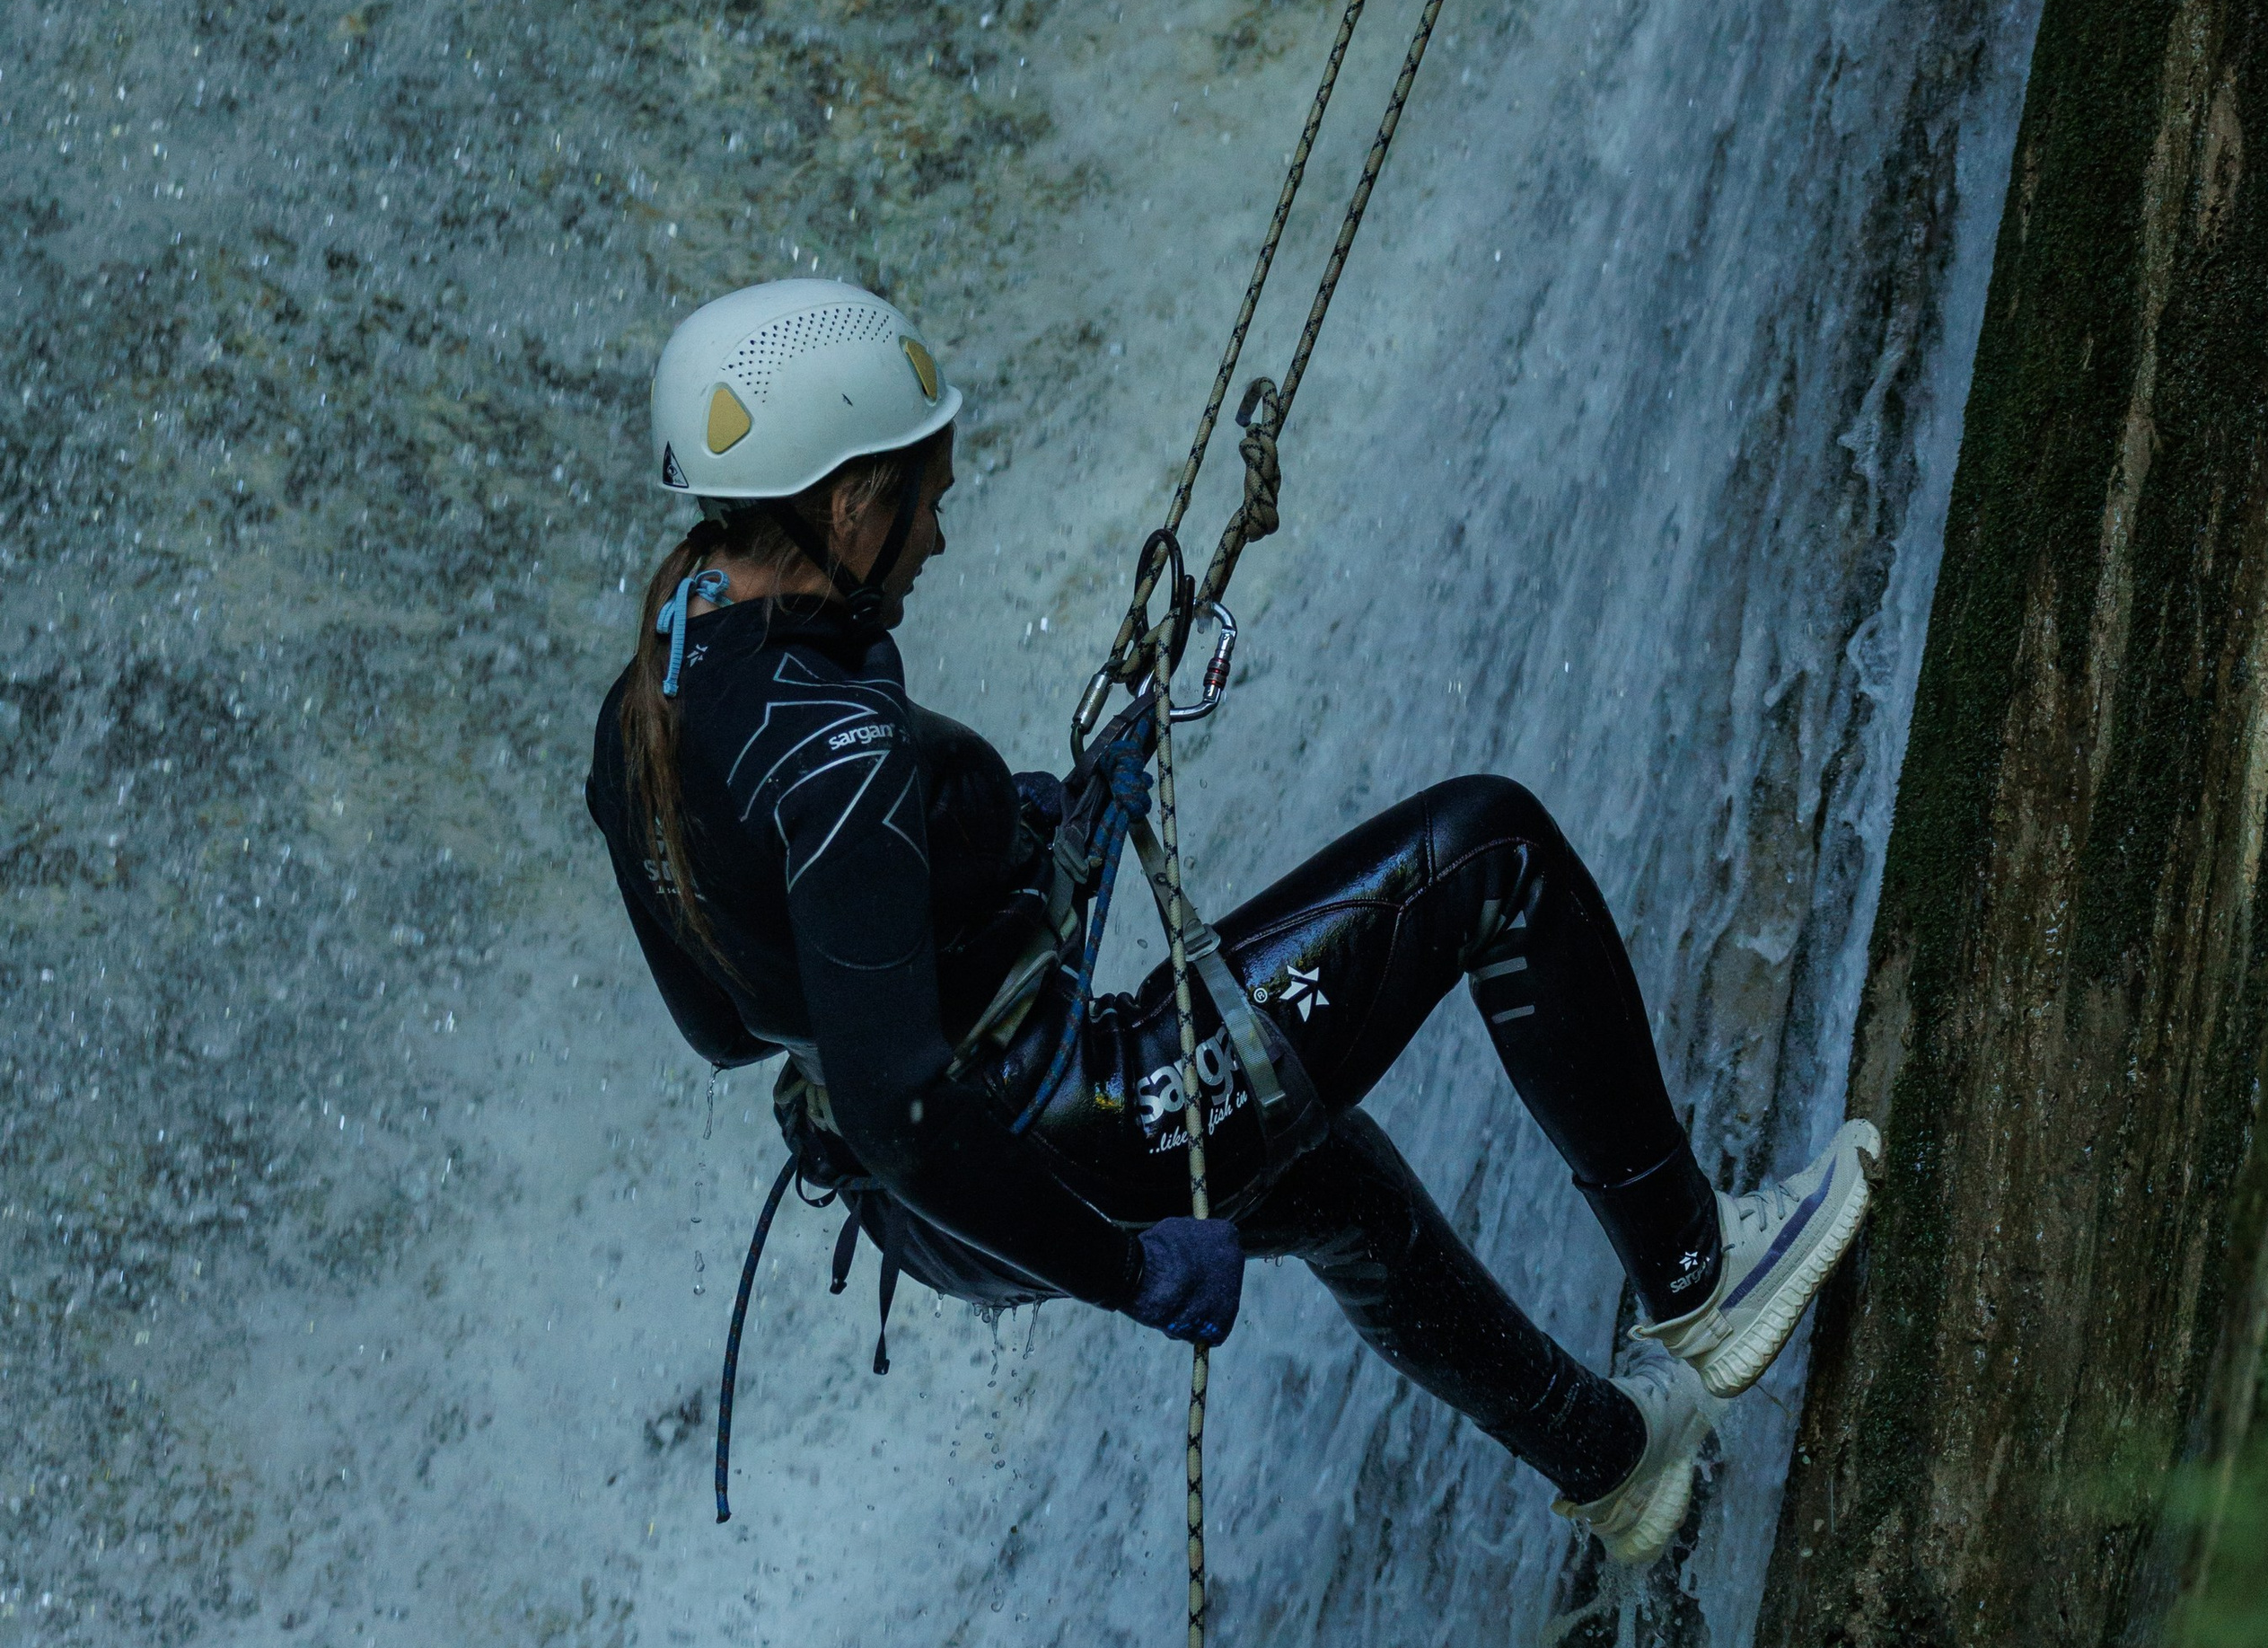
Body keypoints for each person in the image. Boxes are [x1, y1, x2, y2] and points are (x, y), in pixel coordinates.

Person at [587, 278, 1876, 1565]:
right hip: (1070, 1141)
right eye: (925, 498)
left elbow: (727, 1027)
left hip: (933, 1221)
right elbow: (903, 1110)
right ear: (846, 506)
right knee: (1490, 854)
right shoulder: (838, 757)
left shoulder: (651, 699)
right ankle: (1702, 1272)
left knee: (1335, 1186)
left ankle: (1611, 1460)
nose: (936, 536)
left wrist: (991, 872)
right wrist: (1129, 1272)